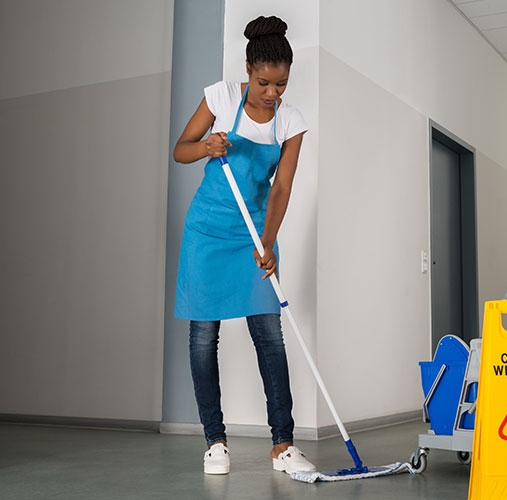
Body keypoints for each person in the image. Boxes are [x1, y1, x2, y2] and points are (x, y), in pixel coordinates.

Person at [173, 15, 315, 476]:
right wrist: (208, 146)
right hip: (207, 233)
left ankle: (283, 445)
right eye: (264, 82)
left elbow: (281, 189)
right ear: (249, 69)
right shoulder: (221, 97)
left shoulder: (290, 122)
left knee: (269, 335)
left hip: (254, 233)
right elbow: (181, 149)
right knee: (202, 337)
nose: (272, 93)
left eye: (281, 84)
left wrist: (269, 243)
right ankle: (215, 441)